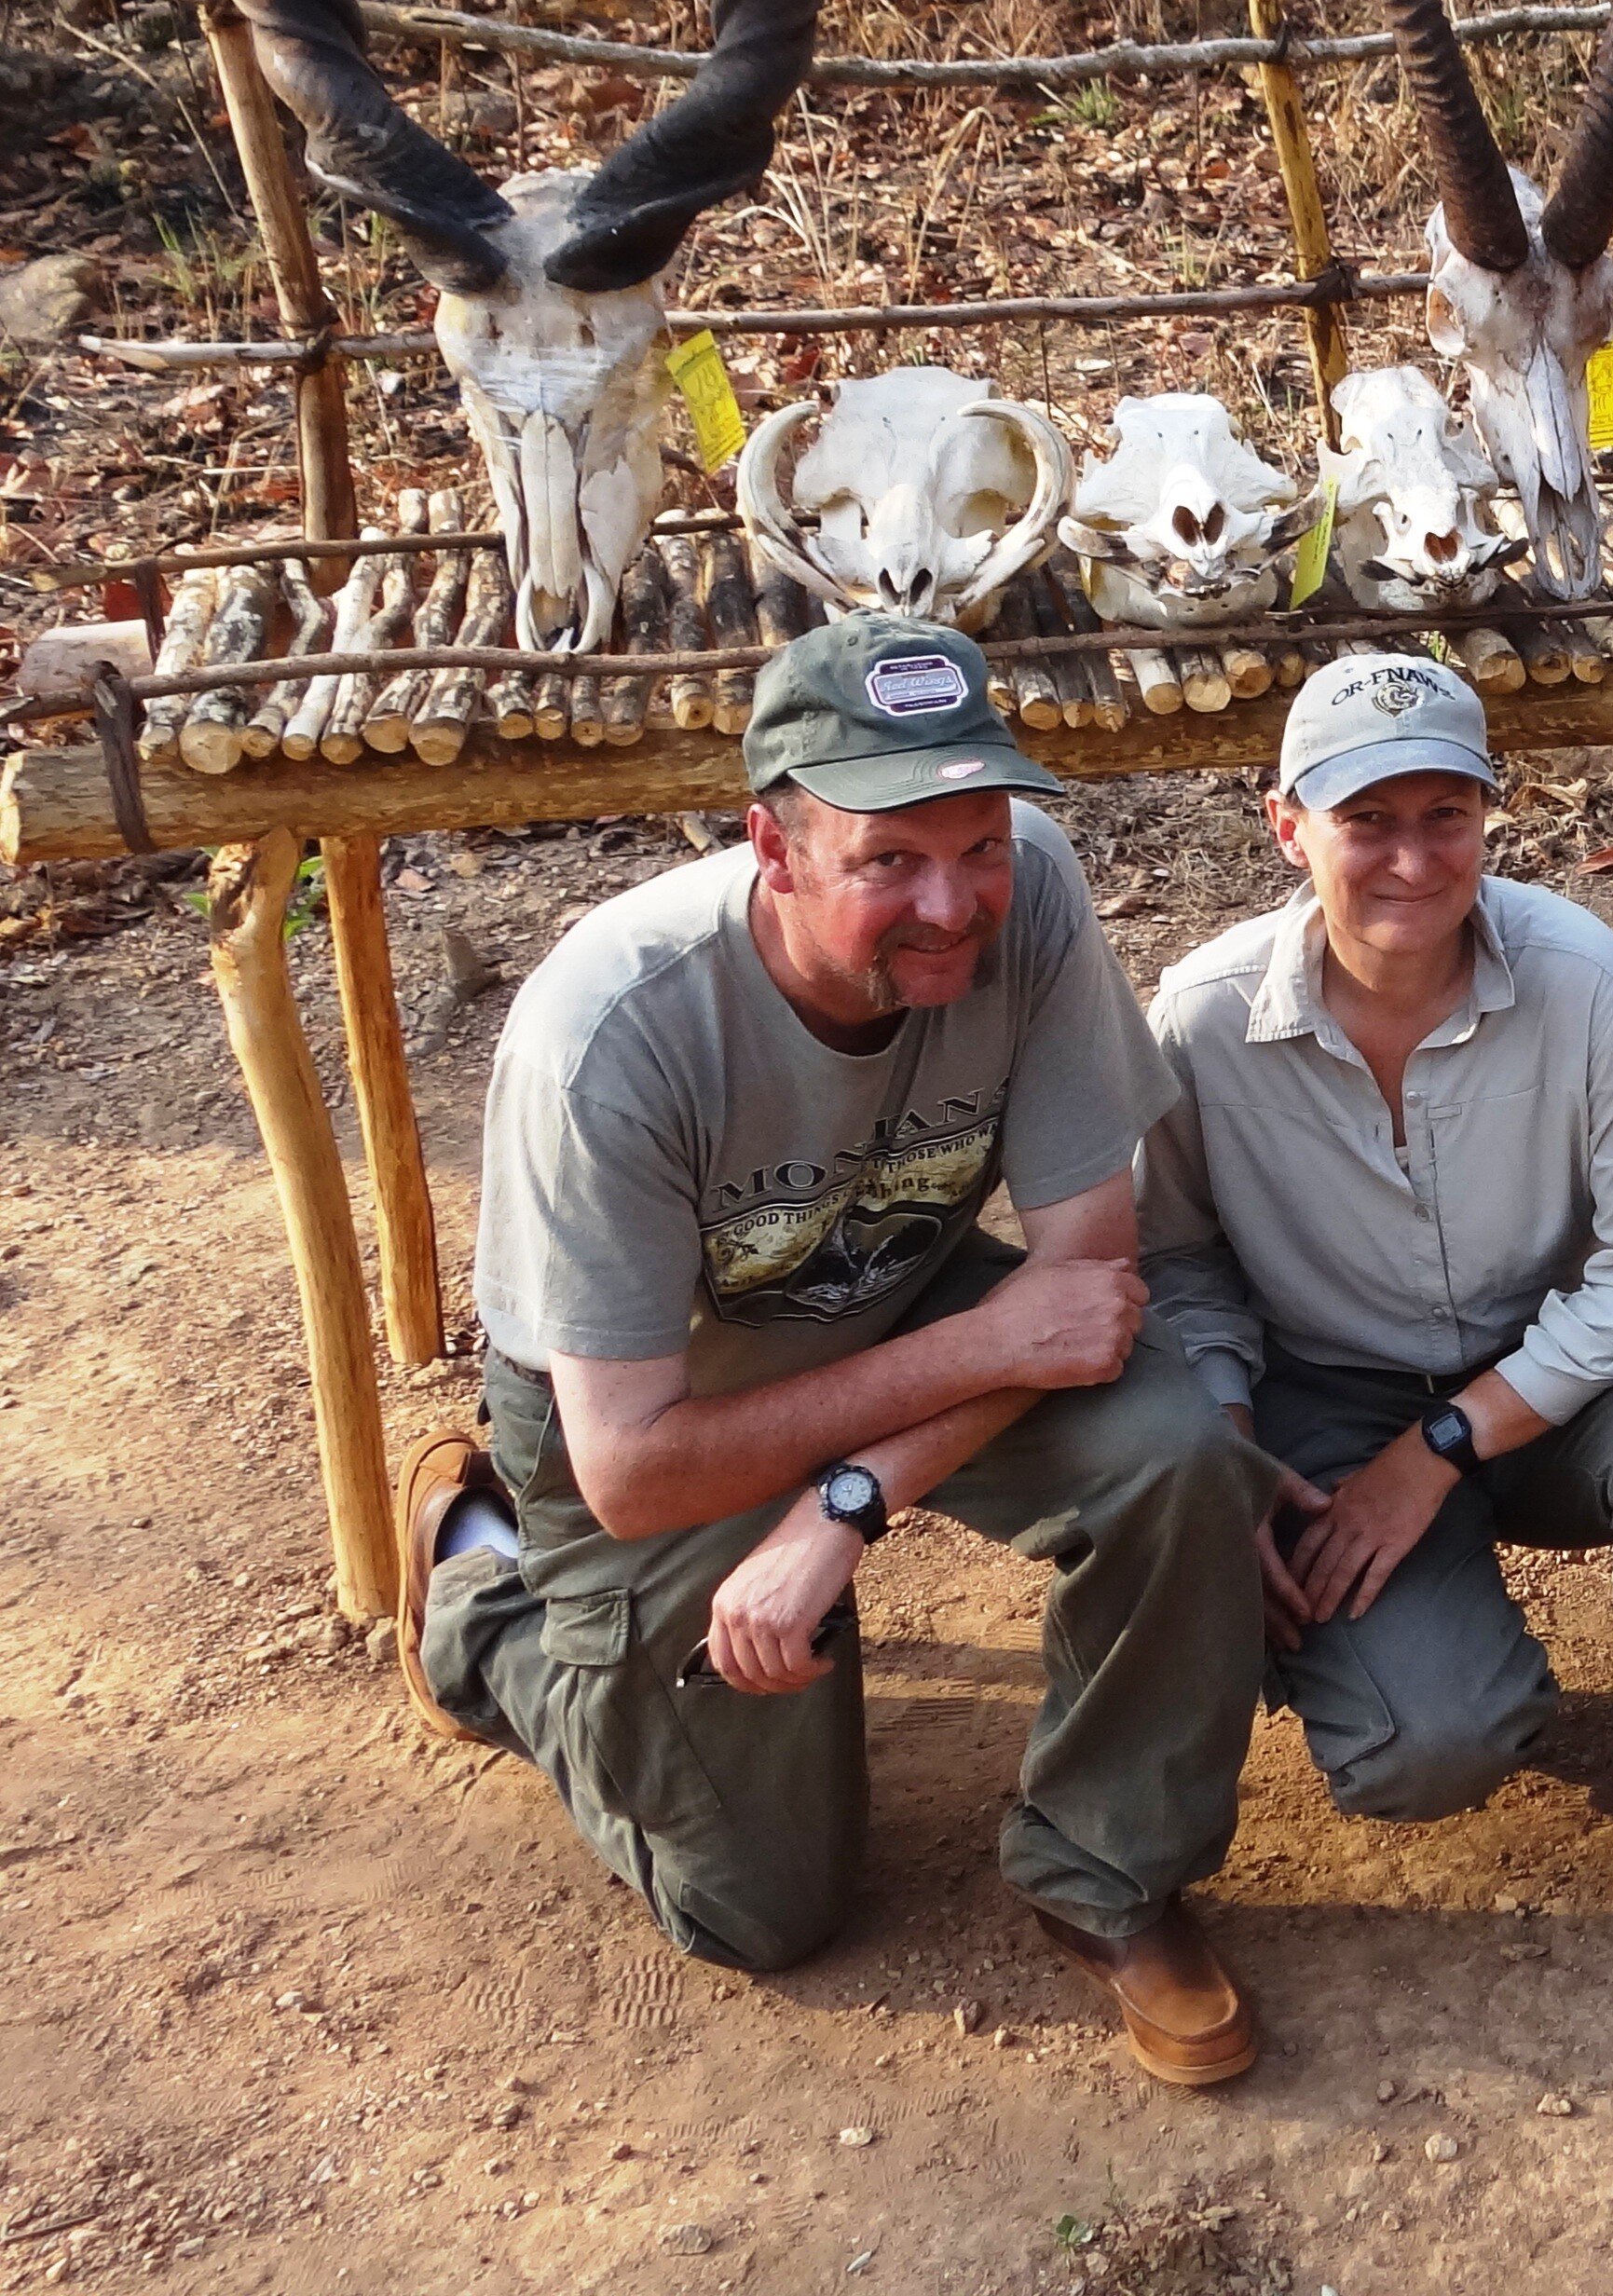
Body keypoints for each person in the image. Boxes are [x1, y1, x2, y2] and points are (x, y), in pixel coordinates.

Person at [396, 617, 1277, 2084]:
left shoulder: (1031, 896)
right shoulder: (611, 1035)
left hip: (903, 1303)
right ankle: (487, 1599)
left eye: (980, 845)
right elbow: (630, 1470)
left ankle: (1112, 1875)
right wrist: (918, 1407)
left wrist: (848, 1501)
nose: (954, 903)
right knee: (760, 1911)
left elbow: (1086, 1280)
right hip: (666, 1411)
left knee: (1174, 1445)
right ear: (775, 845)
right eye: (889, 862)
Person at [1139, 655, 1613, 1976]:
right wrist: (1234, 1451)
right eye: (1366, 820)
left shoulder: (1586, 980)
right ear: (1288, 827)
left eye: (1444, 814)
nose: (1411, 858)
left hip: (1562, 1383)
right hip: (1329, 1402)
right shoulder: (1202, 1023)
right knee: (1423, 1751)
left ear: (1490, 818)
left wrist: (1440, 1450)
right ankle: (1404, 1652)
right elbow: (1178, 1264)